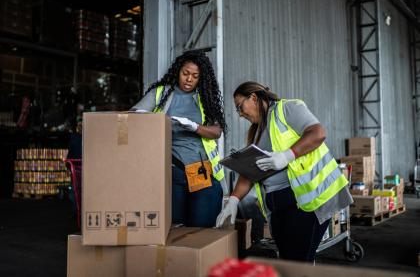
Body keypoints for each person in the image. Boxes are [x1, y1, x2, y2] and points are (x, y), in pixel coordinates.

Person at [216, 81, 353, 262]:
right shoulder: (256, 132)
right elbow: (249, 172)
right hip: (278, 208)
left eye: (240, 107)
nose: (240, 114)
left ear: (254, 98)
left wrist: (288, 155)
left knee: (297, 263)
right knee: (290, 262)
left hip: (304, 203)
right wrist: (233, 200)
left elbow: (318, 132)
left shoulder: (287, 109)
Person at [131, 50, 227, 227]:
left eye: (195, 76)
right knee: (175, 229)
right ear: (178, 71)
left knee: (202, 229)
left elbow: (216, 131)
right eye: (185, 73)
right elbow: (133, 118)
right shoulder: (161, 94)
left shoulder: (204, 97)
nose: (189, 79)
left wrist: (195, 127)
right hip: (172, 170)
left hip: (201, 171)